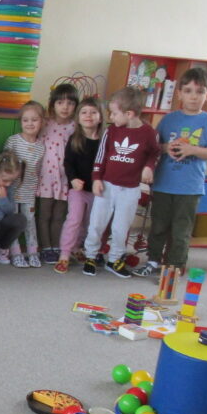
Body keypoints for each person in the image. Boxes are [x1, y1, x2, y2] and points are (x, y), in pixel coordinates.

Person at [134, 67, 207, 277]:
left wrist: (192, 150)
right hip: (164, 184)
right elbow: (155, 147)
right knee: (158, 226)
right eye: (188, 91)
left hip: (190, 187)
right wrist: (167, 147)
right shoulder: (168, 120)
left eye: (199, 92)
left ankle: (174, 266)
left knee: (181, 230)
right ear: (180, 93)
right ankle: (153, 260)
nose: (193, 96)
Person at [81, 86, 161, 278]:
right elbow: (101, 156)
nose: (111, 117)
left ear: (129, 114)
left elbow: (154, 153)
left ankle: (114, 259)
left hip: (130, 190)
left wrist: (149, 167)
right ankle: (90, 256)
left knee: (121, 228)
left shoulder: (149, 133)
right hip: (106, 186)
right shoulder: (111, 131)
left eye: (114, 113)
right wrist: (96, 178)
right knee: (96, 224)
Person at [55, 98, 105, 274]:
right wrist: (73, 179)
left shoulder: (105, 140)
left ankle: (77, 247)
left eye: (93, 112)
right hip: (78, 189)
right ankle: (65, 253)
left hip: (97, 191)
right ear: (78, 117)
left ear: (100, 117)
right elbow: (68, 163)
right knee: (74, 219)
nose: (88, 116)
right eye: (84, 112)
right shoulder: (74, 139)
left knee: (89, 222)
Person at [37, 83, 79, 263]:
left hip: (65, 180)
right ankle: (45, 247)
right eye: (60, 102)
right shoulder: (45, 124)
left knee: (59, 216)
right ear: (53, 104)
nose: (65, 107)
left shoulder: (76, 127)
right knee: (44, 214)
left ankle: (56, 246)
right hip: (45, 178)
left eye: (70, 103)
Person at [3, 100, 46, 266]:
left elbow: (39, 170)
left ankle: (33, 252)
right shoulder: (13, 141)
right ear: (20, 121)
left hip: (29, 191)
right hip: (12, 190)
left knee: (29, 221)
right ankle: (15, 253)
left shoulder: (41, 146)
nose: (30, 123)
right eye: (25, 120)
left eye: (34, 120)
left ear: (41, 122)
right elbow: (4, 165)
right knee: (14, 222)